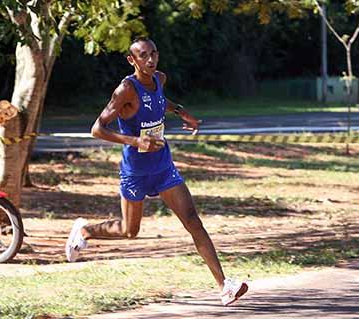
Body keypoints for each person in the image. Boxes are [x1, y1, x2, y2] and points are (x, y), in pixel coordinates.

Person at [65, 37, 249, 306]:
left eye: (153, 54)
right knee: (130, 231)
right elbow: (97, 129)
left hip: (163, 167)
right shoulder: (125, 90)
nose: (149, 60)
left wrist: (181, 112)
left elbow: (161, 101)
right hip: (135, 173)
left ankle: (224, 286)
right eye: (143, 56)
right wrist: (135, 141)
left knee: (192, 220)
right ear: (132, 60)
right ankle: (85, 232)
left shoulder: (160, 79)